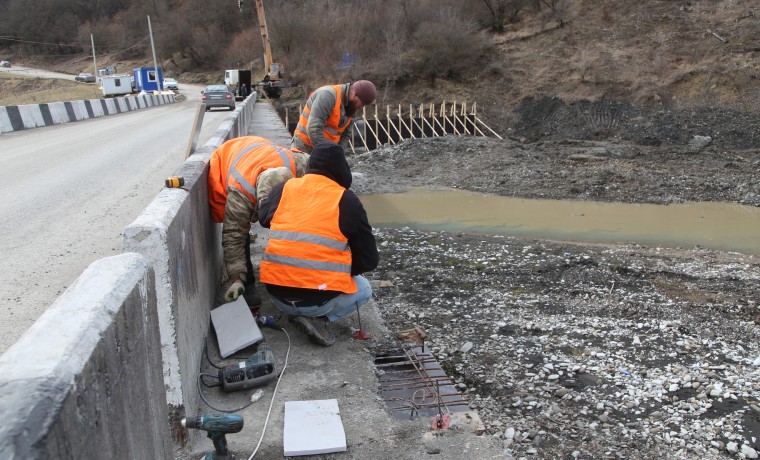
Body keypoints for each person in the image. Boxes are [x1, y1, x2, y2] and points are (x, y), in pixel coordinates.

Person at [258, 142, 379, 346]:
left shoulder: (283, 188)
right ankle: (319, 319)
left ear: (310, 165)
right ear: (342, 170)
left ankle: (298, 312)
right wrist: (340, 267)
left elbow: (263, 219)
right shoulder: (346, 200)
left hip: (276, 295)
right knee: (364, 289)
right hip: (318, 301)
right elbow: (369, 260)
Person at [208, 136, 309, 305]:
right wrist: (237, 279)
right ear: (257, 203)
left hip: (259, 148)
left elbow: (326, 173)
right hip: (228, 156)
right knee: (238, 226)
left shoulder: (301, 166)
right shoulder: (241, 194)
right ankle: (247, 282)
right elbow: (234, 236)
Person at [291, 80, 377, 154]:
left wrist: (338, 153)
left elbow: (346, 134)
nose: (362, 107)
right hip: (305, 147)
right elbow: (313, 128)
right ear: (354, 94)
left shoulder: (352, 106)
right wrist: (326, 154)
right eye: (362, 103)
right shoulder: (328, 96)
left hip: (325, 149)